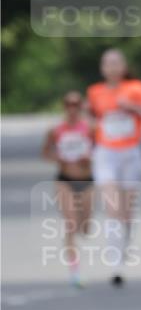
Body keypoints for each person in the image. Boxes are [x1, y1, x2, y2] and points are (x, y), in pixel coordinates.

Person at [85, 49, 141, 286]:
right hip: (105, 153)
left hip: (131, 153)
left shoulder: (136, 88)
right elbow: (89, 119)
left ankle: (122, 247)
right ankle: (115, 262)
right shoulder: (95, 92)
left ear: (124, 66)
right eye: (107, 63)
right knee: (112, 207)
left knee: (127, 211)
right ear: (102, 68)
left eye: (116, 63)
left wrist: (133, 108)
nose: (112, 67)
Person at [41, 91, 95, 287]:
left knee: (85, 228)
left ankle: (82, 234)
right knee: (71, 225)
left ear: (81, 107)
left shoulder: (90, 128)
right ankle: (75, 272)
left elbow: (102, 150)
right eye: (68, 104)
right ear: (64, 107)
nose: (72, 108)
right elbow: (45, 152)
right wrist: (58, 158)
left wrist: (90, 158)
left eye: (76, 104)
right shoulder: (55, 130)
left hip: (87, 180)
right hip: (64, 180)